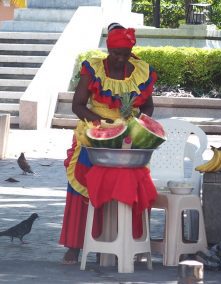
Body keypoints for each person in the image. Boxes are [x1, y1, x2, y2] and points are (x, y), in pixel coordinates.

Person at [59, 23, 157, 264]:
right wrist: (100, 122)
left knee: (132, 183)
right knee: (83, 180)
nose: (120, 59)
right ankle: (75, 245)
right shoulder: (92, 69)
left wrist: (139, 122)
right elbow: (78, 105)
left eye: (124, 55)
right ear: (108, 49)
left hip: (127, 132)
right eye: (116, 54)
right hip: (95, 131)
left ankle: (129, 240)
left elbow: (148, 105)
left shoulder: (140, 71)